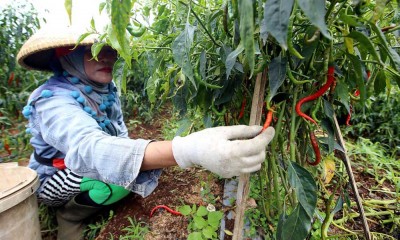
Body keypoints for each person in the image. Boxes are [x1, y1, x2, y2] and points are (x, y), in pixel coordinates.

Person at [16, 26, 275, 240]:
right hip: (55, 176)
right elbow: (89, 148)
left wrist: (137, 158)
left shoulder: (104, 88)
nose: (107, 57)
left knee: (130, 173)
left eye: (111, 50)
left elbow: (118, 132)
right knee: (120, 182)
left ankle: (96, 196)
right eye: (93, 51)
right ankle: (69, 215)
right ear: (65, 55)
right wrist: (186, 150)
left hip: (83, 166)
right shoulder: (53, 101)